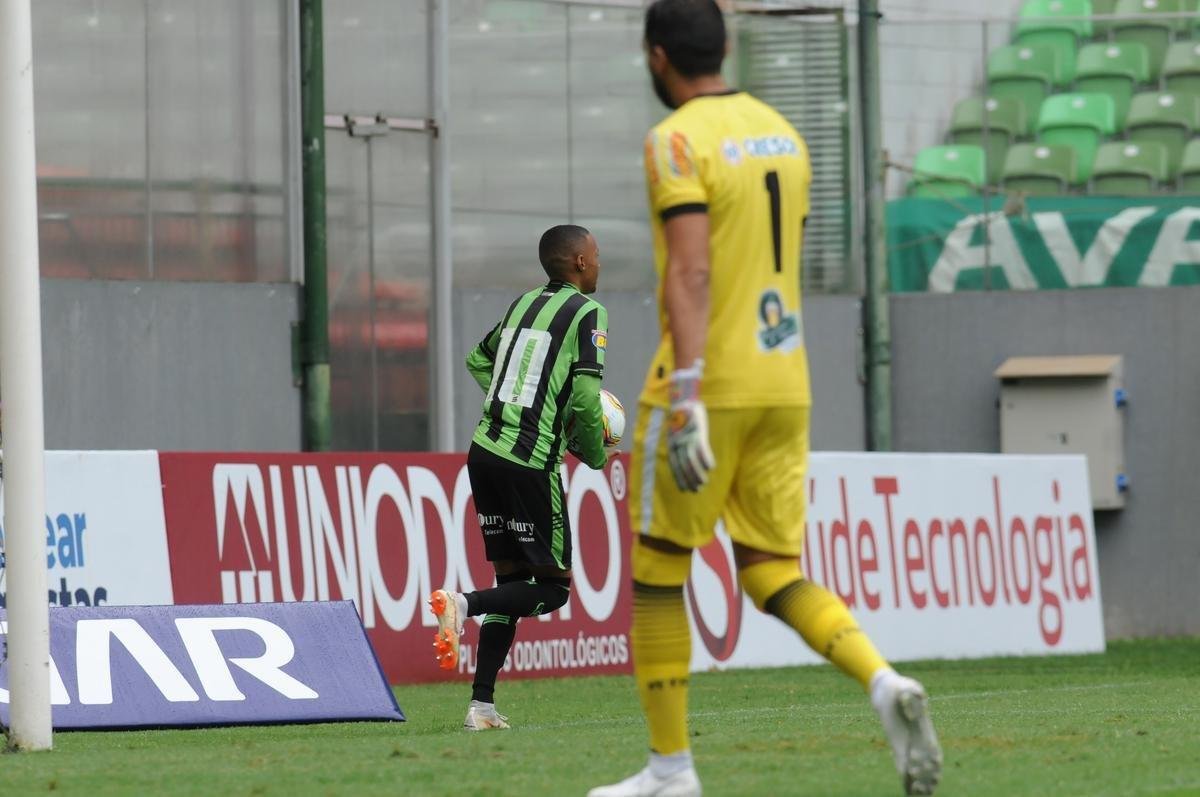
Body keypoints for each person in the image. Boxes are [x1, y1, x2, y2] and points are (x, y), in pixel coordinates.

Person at [588, 2, 942, 795]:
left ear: (656, 57)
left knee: (655, 572)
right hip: (787, 381)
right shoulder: (783, 132)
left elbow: (693, 270)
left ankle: (670, 769)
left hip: (709, 383)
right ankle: (883, 681)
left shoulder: (675, 139)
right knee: (771, 566)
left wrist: (686, 392)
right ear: (727, 45)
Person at [430, 224, 611, 731]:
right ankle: (461, 603)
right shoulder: (587, 312)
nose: (599, 263)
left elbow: (477, 358)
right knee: (552, 588)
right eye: (595, 256)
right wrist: (592, 452)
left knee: (511, 582)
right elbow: (583, 398)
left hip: (484, 455)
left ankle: (481, 706)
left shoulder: (522, 305)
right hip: (530, 464)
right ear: (578, 262)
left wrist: (515, 400)